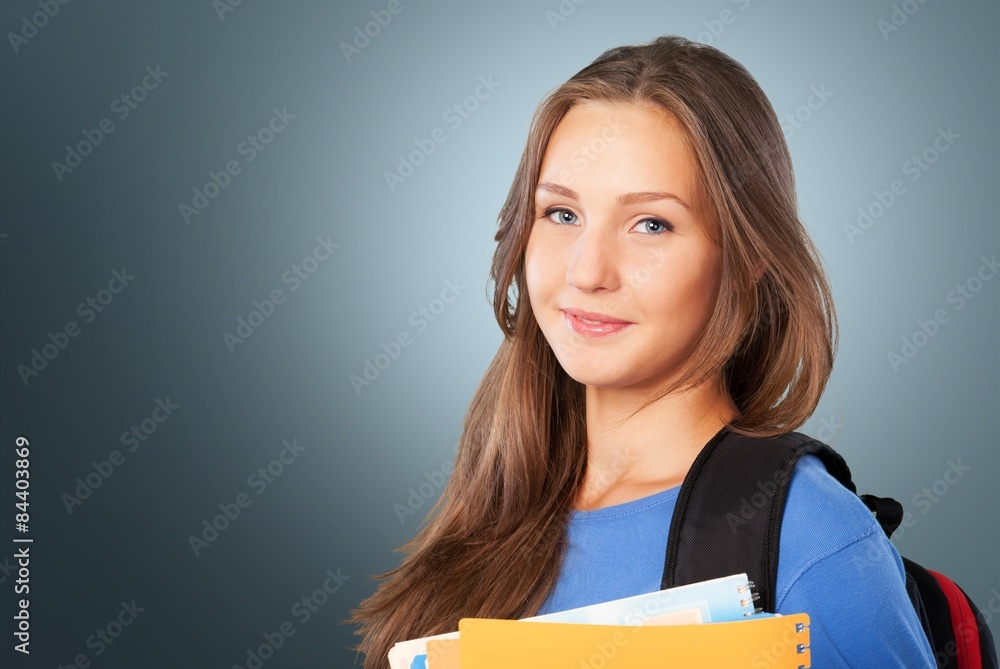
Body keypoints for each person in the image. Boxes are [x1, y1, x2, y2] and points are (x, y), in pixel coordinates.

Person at [348, 35, 936, 668]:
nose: (587, 271)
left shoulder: (815, 540)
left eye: (651, 224)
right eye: (561, 213)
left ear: (749, 257)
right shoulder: (497, 500)